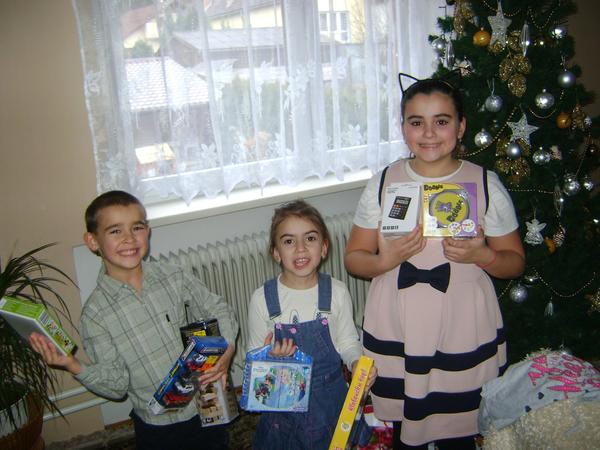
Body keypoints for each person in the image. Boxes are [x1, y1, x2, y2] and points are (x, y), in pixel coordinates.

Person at [344, 78, 525, 450]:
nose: (428, 133)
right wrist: (386, 260)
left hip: (461, 323)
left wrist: (483, 255)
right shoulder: (383, 183)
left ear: (460, 127)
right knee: (403, 427)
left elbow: (515, 263)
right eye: (417, 122)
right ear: (403, 128)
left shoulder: (485, 184)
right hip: (398, 320)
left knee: (459, 423)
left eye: (441, 121)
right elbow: (354, 259)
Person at [29, 190, 239, 450]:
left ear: (147, 232)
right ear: (93, 241)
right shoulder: (95, 315)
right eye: (115, 231)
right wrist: (73, 365)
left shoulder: (174, 276)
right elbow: (116, 385)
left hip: (206, 403)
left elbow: (218, 308)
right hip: (158, 425)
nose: (129, 238)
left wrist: (227, 349)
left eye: (136, 227)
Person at [246, 199, 376, 450]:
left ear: (324, 247)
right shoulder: (262, 299)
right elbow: (253, 363)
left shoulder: (337, 292)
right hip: (283, 409)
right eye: (288, 241)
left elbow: (347, 342)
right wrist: (272, 361)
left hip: (330, 405)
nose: (300, 249)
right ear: (275, 252)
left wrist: (357, 363)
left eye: (310, 238)